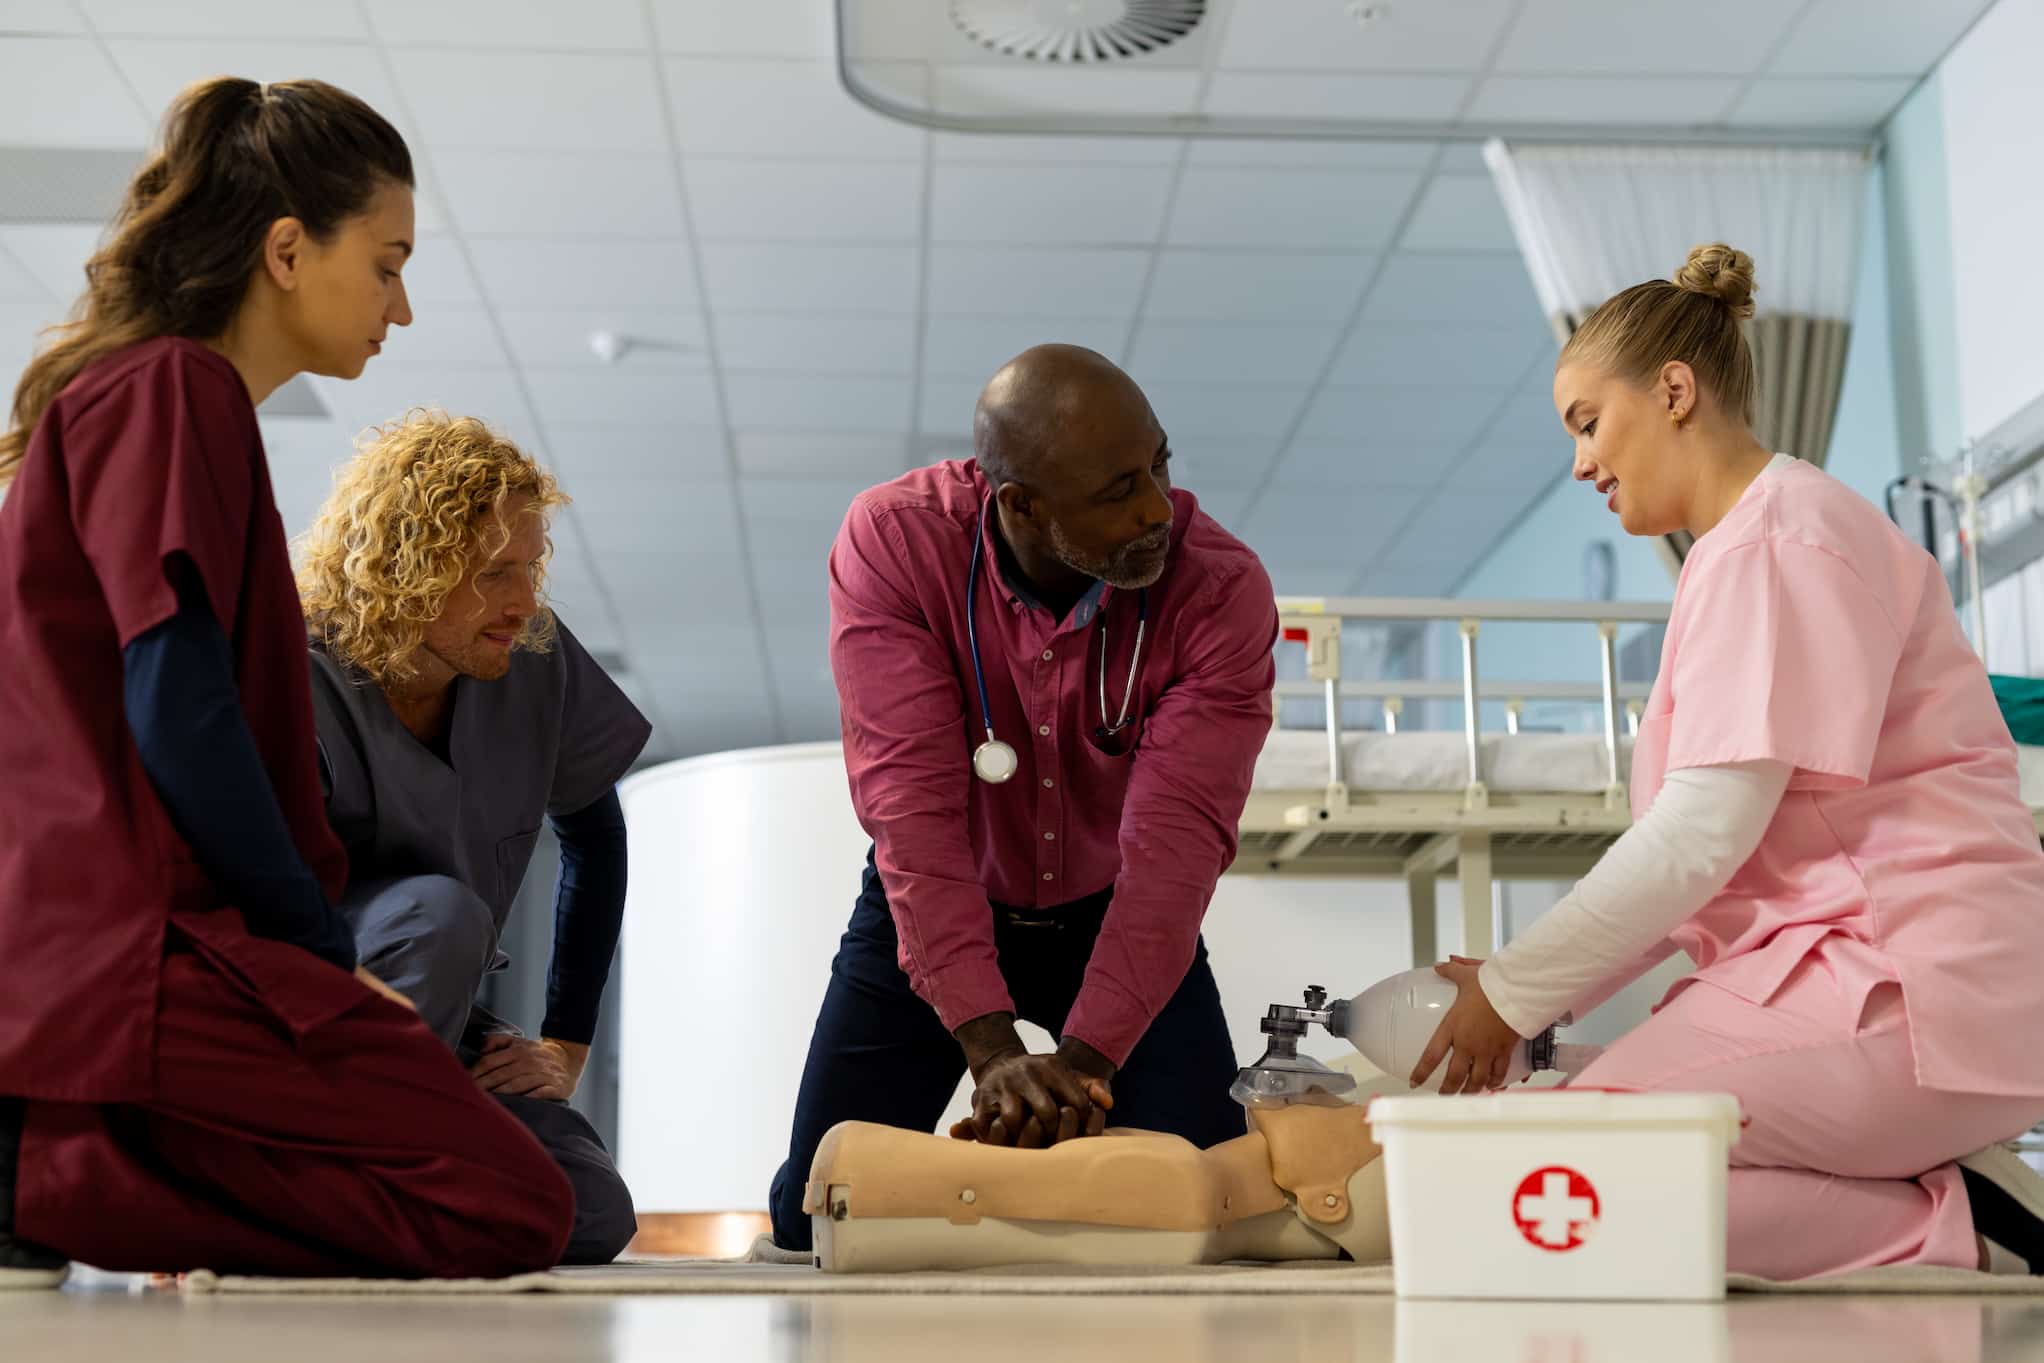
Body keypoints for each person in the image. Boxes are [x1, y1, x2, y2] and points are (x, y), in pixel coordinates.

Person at [0, 78, 573, 1286]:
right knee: (512, 1204)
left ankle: (57, 1171)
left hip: (122, 949)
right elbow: (178, 699)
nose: (401, 308)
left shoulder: (152, 399)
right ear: (285, 250)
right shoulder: (174, 390)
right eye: (386, 264)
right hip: (136, 950)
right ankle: (45, 1175)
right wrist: (312, 944)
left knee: (523, 1195)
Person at [1411, 244, 2044, 1280]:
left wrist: (1520, 992)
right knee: (1557, 1168)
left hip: (1906, 987)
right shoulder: (1758, 542)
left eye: (1587, 422)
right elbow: (1708, 863)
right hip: (1880, 980)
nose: (1580, 463)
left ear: (1672, 390)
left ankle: (1957, 1232)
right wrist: (1536, 993)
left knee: (1553, 1172)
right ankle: (1946, 1205)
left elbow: (1701, 834)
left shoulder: (1773, 542)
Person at [768, 343, 1279, 1251]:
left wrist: (1077, 1075)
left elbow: (1177, 847)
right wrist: (993, 1053)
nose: (1157, 507)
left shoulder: (1219, 589)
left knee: (1208, 1207)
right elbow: (912, 815)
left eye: (1160, 464)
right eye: (1120, 489)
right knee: (808, 1216)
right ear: (1023, 506)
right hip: (939, 902)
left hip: (1115, 910)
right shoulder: (895, 543)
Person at [297, 411, 651, 1265]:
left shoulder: (531, 655)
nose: (527, 600)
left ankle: (364, 1209)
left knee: (592, 1207)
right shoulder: (291, 667)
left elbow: (596, 838)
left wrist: (565, 1044)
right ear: (407, 571)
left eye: (531, 566)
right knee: (439, 916)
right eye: (497, 573)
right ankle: (310, 1177)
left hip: (439, 1030)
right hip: (313, 1026)